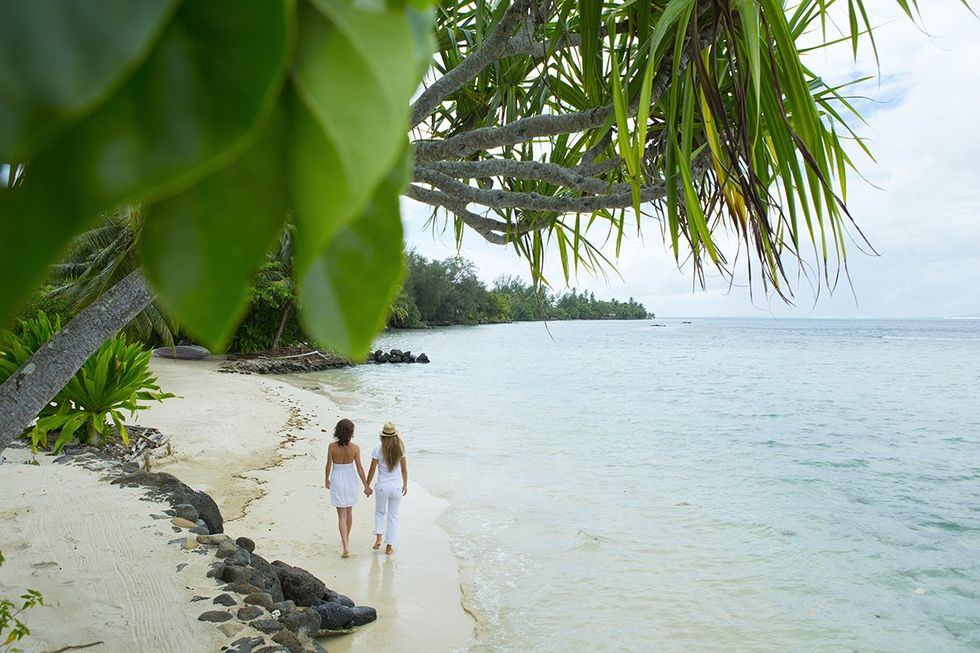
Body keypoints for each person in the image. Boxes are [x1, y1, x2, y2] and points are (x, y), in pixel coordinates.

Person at [324, 418, 370, 558]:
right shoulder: (355, 448)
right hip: (351, 479)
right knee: (349, 512)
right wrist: (366, 485)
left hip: (337, 478)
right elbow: (360, 468)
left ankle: (345, 545)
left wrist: (326, 478)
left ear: (337, 431)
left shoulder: (332, 446)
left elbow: (328, 465)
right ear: (351, 432)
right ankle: (346, 540)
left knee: (341, 515)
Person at [365, 421, 408, 555]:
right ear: (395, 435)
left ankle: (378, 537)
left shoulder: (377, 450)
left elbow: (372, 469)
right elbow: (404, 470)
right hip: (396, 487)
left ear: (383, 436)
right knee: (393, 516)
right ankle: (389, 546)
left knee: (379, 512)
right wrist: (405, 485)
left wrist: (367, 485)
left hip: (382, 486)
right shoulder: (401, 449)